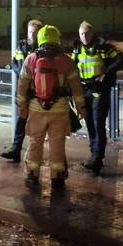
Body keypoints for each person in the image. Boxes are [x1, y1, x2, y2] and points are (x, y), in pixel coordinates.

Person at [17, 25, 85, 189]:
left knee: (35, 142)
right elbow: (76, 87)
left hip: (36, 109)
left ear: (40, 39)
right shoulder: (66, 60)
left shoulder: (31, 59)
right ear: (57, 39)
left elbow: (22, 86)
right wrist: (80, 108)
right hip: (60, 110)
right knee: (57, 144)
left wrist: (22, 106)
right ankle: (57, 178)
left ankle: (33, 176)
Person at [73, 21, 123, 175]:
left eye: (86, 33)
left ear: (92, 33)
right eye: (81, 34)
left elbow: (122, 59)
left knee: (98, 123)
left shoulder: (104, 47)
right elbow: (72, 66)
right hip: (85, 90)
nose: (84, 37)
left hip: (99, 90)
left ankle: (97, 157)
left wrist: (106, 73)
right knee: (89, 122)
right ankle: (93, 154)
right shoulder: (77, 49)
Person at [0, 18, 43, 163]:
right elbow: (15, 64)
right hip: (24, 90)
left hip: (38, 91)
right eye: (30, 32)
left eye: (34, 32)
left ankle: (34, 154)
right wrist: (26, 75)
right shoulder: (22, 46)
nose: (32, 35)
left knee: (37, 123)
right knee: (21, 121)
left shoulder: (43, 47)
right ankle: (16, 150)